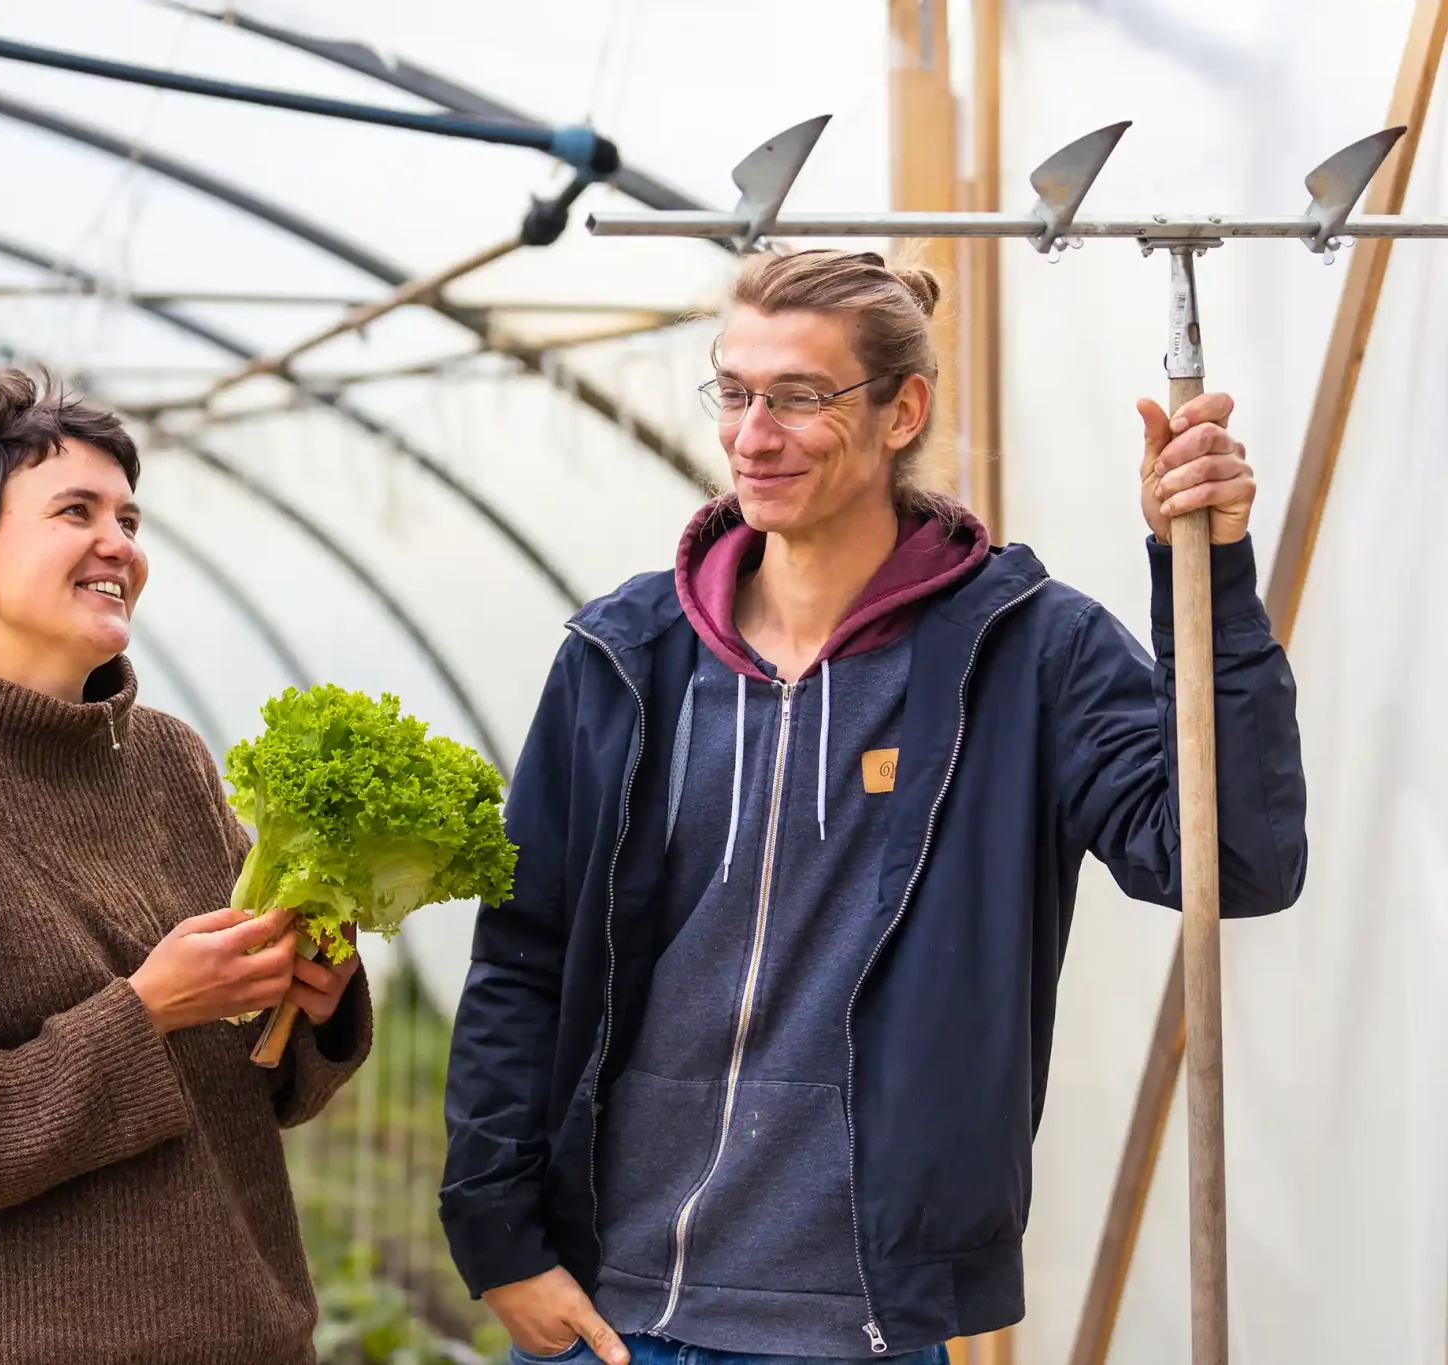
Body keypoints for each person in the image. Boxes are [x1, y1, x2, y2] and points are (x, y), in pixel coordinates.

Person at [439, 250, 1306, 1364]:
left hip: (853, 1326)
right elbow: (522, 957)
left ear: (903, 411)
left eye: (799, 397)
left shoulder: (1025, 650)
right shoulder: (626, 655)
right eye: (735, 392)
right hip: (607, 1318)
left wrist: (1210, 575)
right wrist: (498, 1239)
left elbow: (1227, 860)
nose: (754, 434)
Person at [0, 368, 371, 1365]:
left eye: (129, 518)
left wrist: (306, 1001)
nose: (120, 545)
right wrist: (144, 1012)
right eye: (75, 511)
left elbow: (264, 1089)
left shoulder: (170, 762)